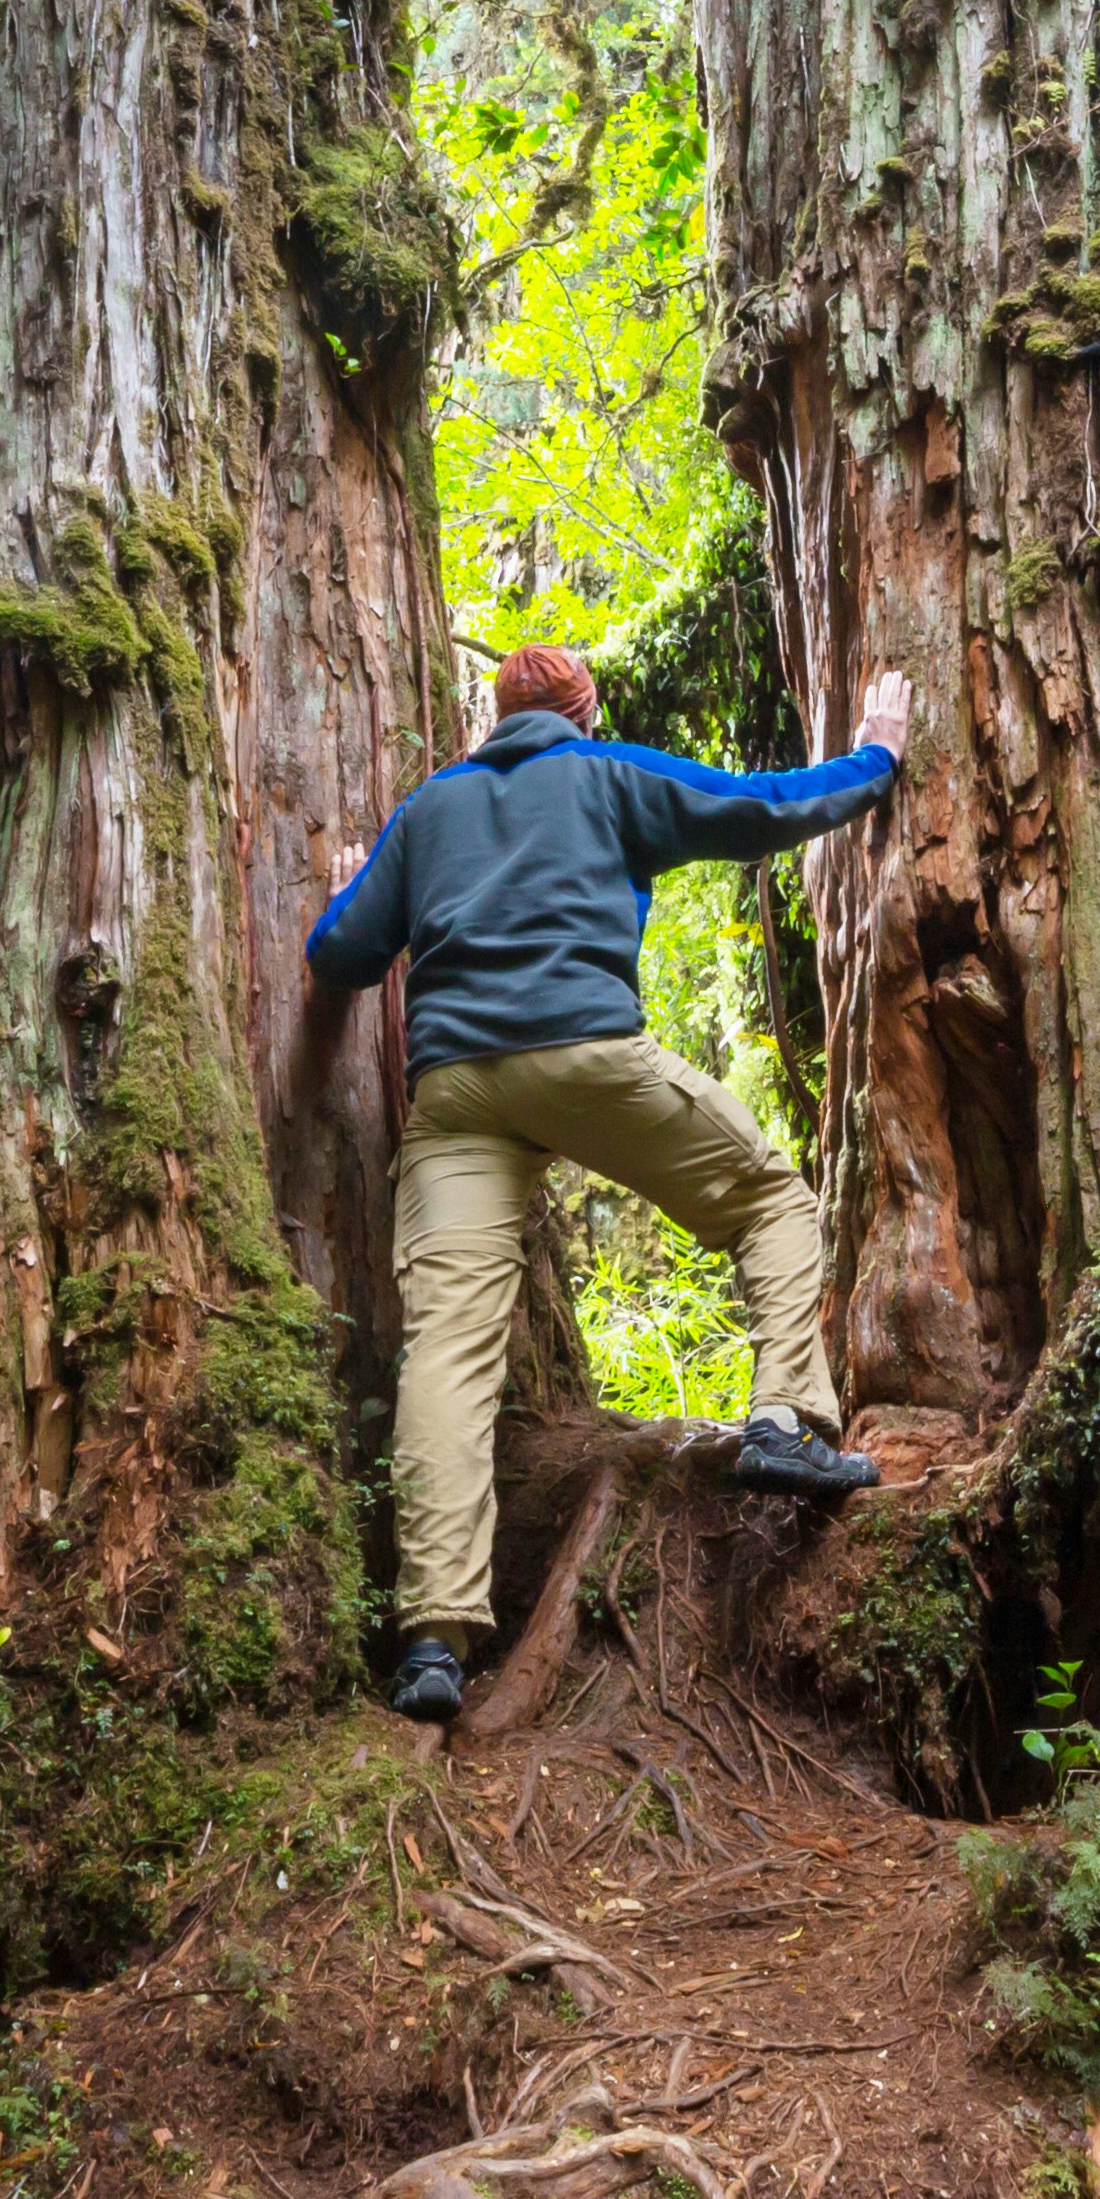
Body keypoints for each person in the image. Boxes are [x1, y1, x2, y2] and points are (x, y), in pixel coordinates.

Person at [305, 638, 913, 1723]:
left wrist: (363, 879)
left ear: (490, 720)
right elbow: (759, 809)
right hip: (586, 1055)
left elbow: (340, 950)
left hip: (454, 1094)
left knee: (447, 1352)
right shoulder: (609, 771)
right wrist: (875, 760)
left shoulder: (432, 806)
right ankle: (782, 1421)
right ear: (585, 712)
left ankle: (434, 1641)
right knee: (772, 1198)